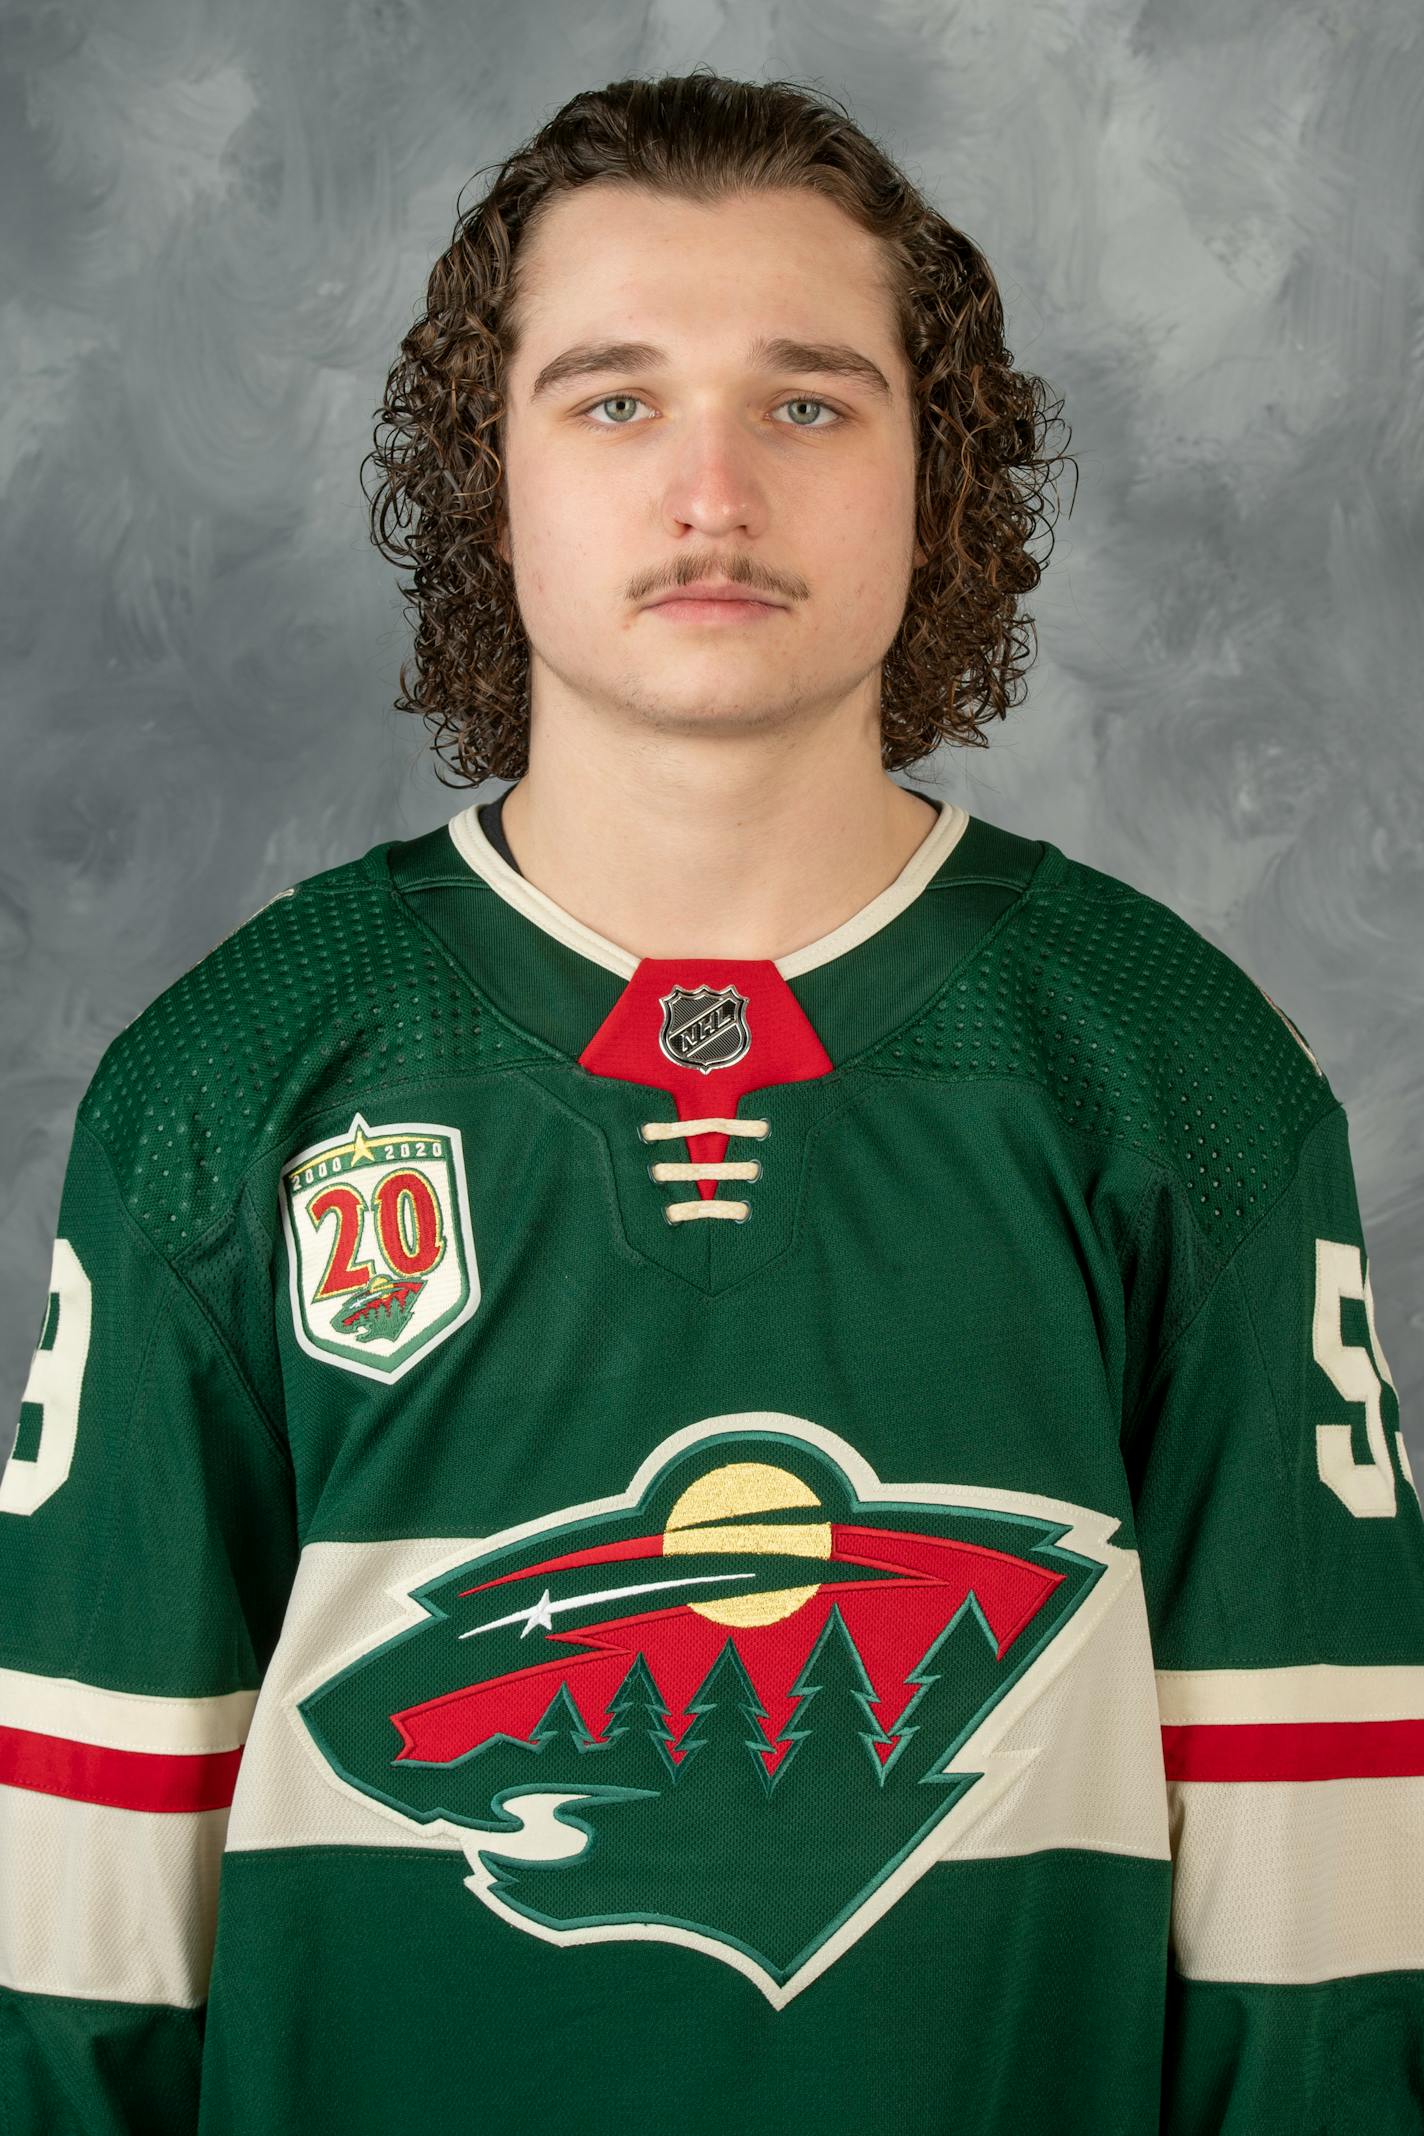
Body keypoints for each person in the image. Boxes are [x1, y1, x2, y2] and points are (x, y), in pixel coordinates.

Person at [2, 68, 1420, 2136]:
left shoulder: (1178, 1073)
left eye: (809, 400)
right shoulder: (232, 1082)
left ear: (938, 479)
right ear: (485, 480)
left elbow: (1325, 1908)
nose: (712, 490)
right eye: (611, 397)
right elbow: (75, 1908)